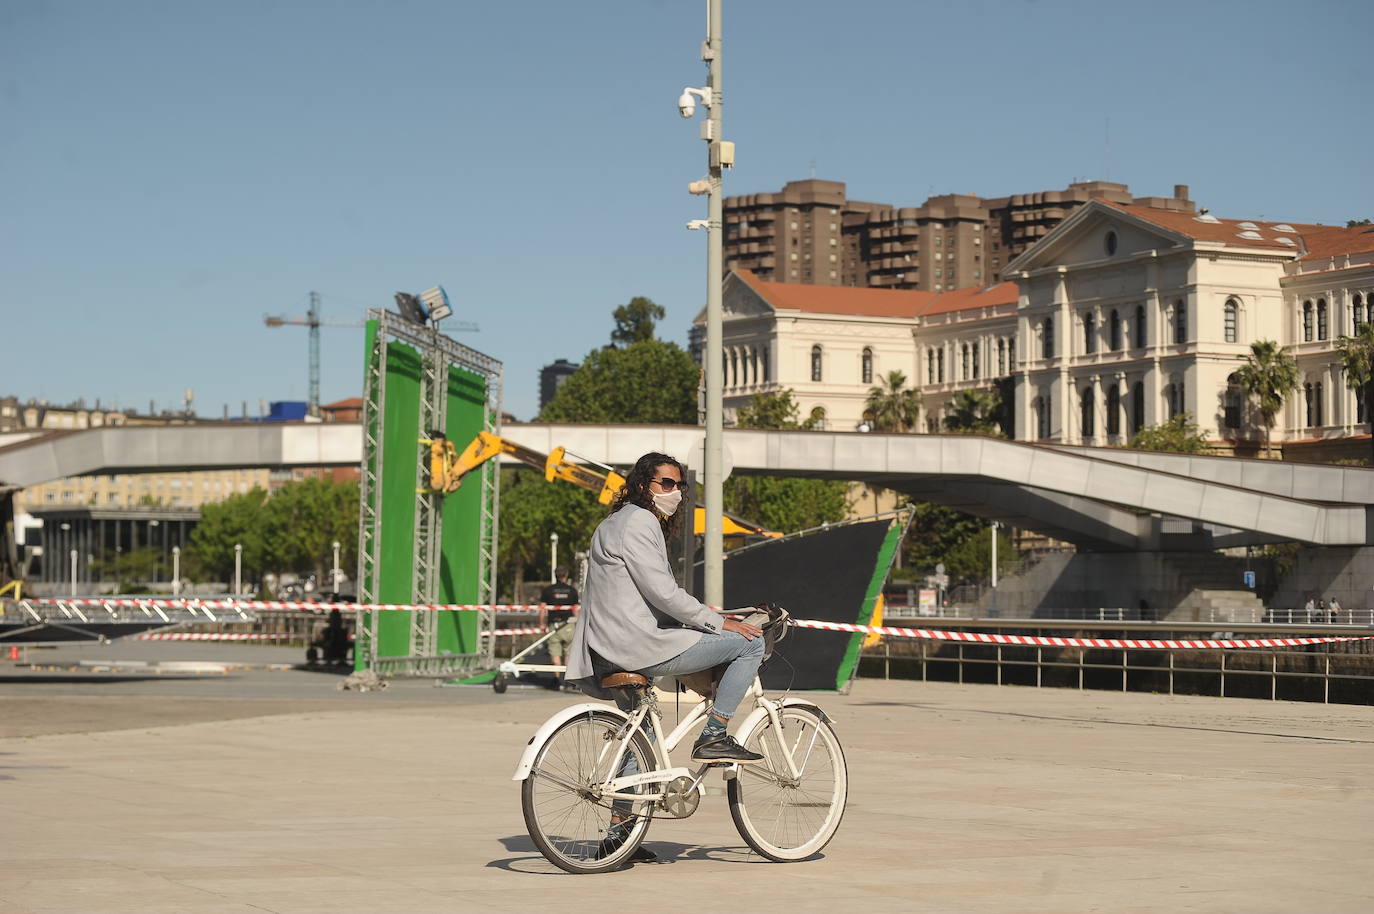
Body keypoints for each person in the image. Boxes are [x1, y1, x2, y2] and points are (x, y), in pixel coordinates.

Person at [565, 452, 768, 862]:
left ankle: (619, 837)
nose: (674, 492)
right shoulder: (640, 522)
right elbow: (662, 593)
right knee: (751, 643)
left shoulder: (612, 523)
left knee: (635, 738)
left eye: (679, 485)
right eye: (666, 484)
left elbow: (642, 594)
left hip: (606, 647)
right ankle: (715, 734)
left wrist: (708, 617)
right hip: (637, 645)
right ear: (644, 484)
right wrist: (717, 622)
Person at [539, 566, 579, 688]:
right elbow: (575, 610)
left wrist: (542, 624)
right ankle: (568, 679)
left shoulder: (548, 590)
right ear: (566, 575)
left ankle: (556, 679)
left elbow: (542, 609)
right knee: (568, 653)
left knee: (555, 653)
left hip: (554, 625)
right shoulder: (572, 591)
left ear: (555, 575)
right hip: (568, 625)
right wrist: (577, 624)